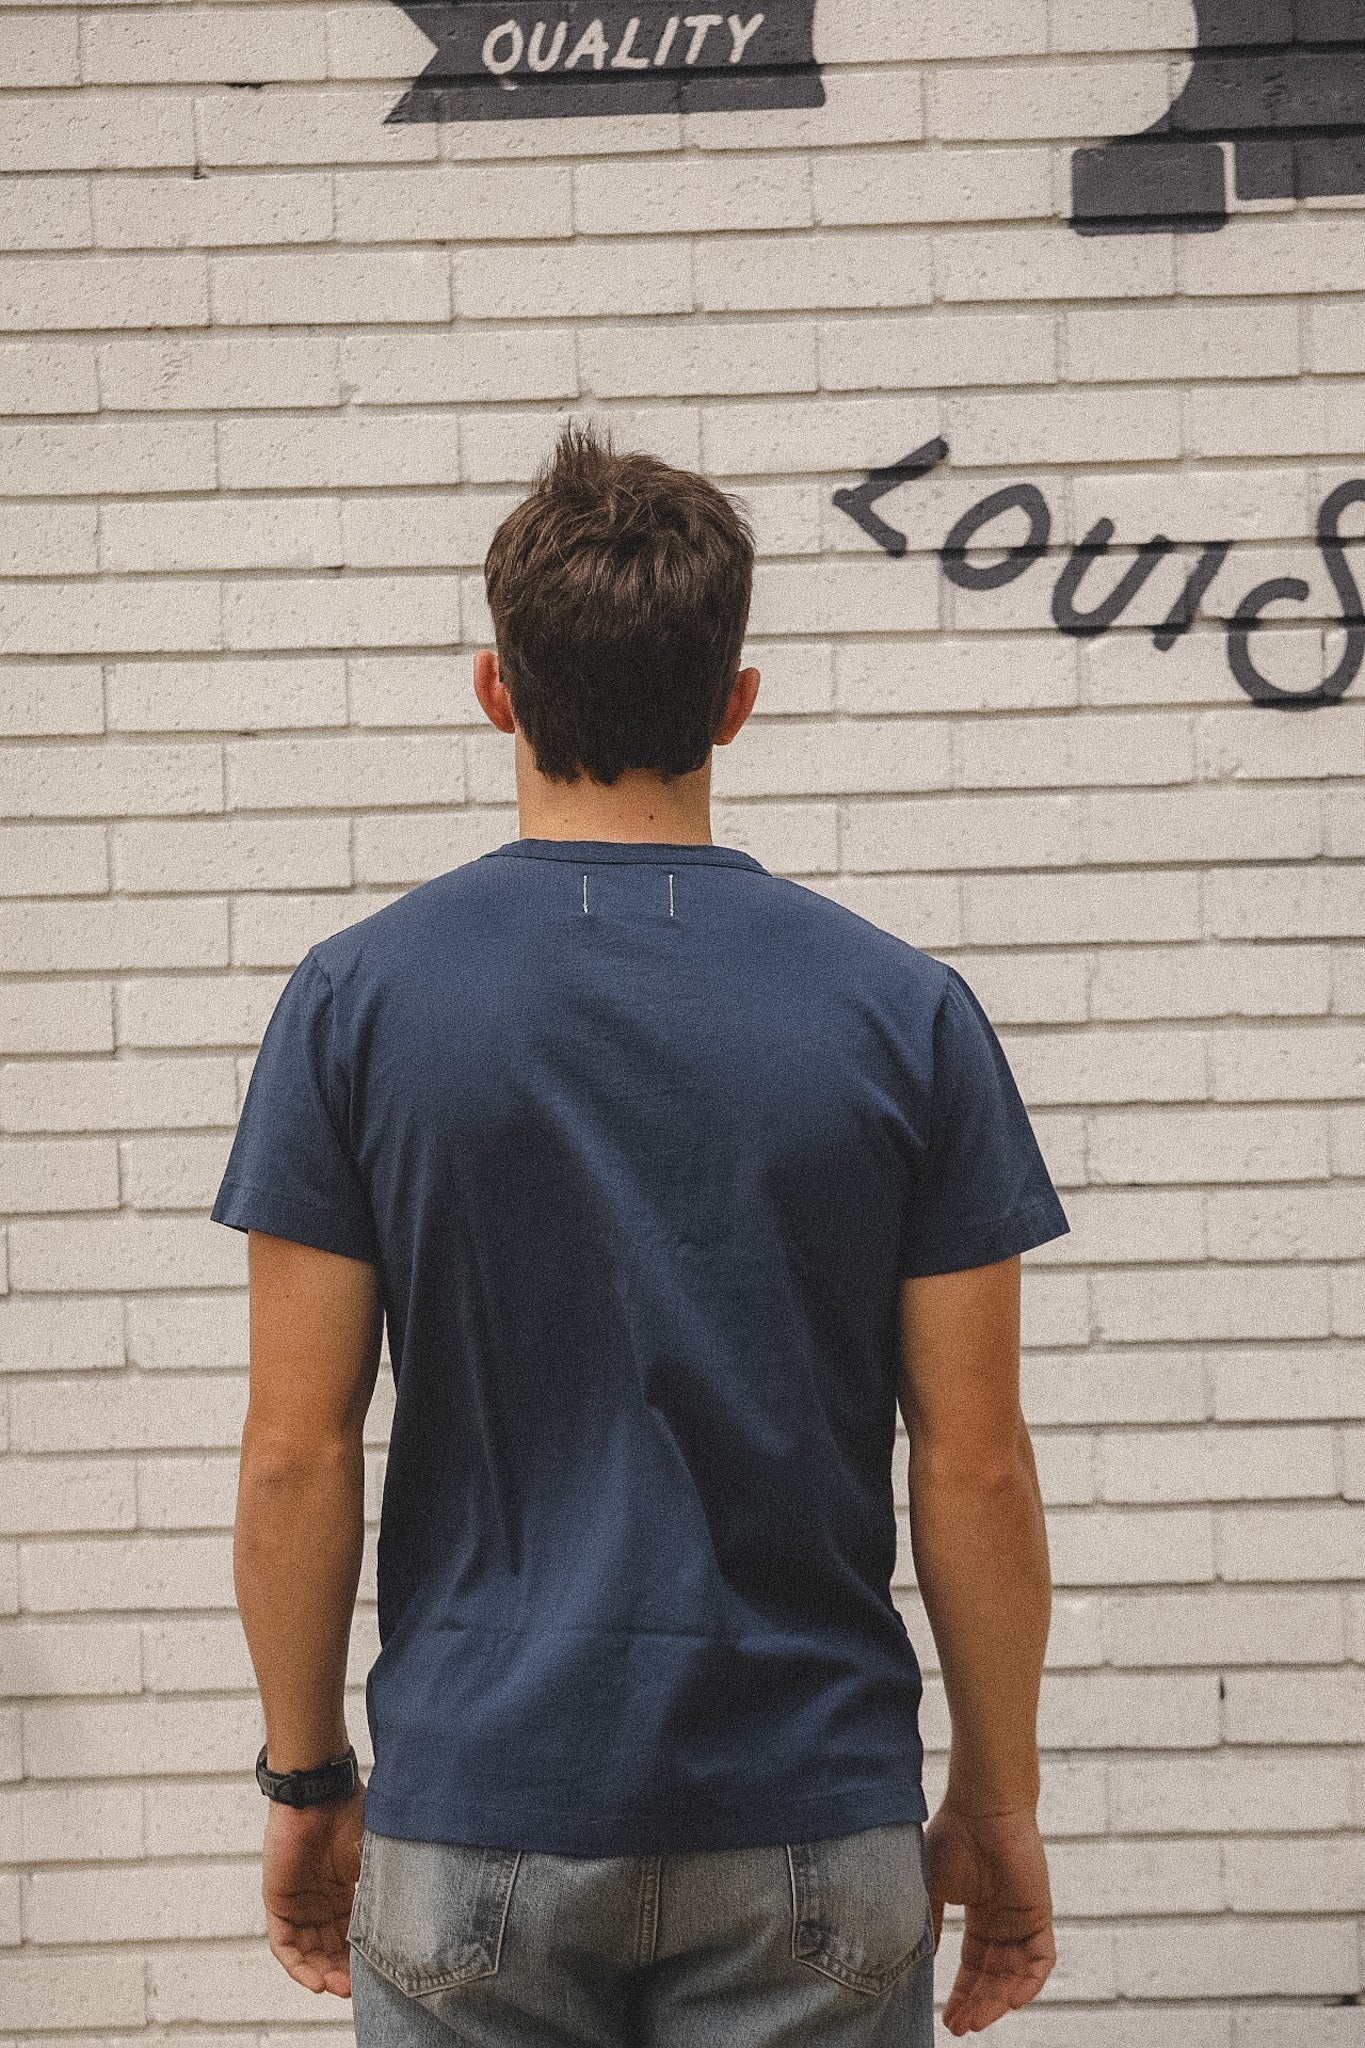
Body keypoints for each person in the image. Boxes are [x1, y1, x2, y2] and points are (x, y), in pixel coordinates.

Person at [212, 421, 1069, 2045]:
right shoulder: (904, 1014)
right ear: (732, 703)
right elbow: (975, 1464)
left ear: (497, 690)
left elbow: (294, 1451)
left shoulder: (357, 1005)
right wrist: (998, 1802)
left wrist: (307, 1776)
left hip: (477, 1807)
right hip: (809, 1810)